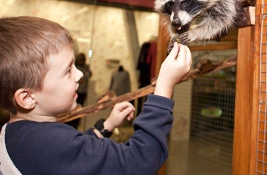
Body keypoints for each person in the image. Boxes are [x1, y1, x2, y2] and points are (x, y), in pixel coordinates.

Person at [0, 16, 192, 175]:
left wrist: (106, 126)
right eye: (68, 71)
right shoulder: (48, 143)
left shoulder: (17, 133)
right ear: (26, 98)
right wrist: (164, 87)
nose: (80, 74)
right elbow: (139, 162)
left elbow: (73, 155)